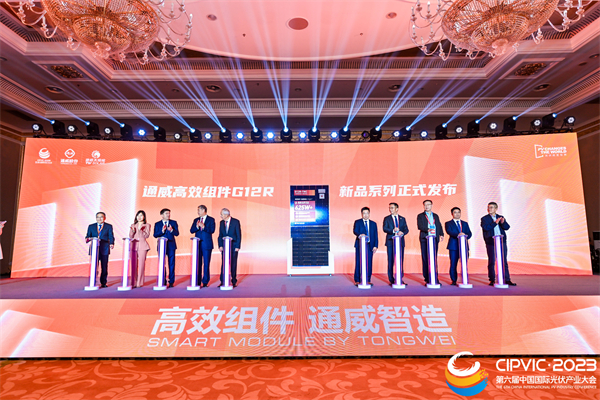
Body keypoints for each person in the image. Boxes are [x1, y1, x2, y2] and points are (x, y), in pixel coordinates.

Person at [481, 202, 516, 286]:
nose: (489, 209)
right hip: (491, 242)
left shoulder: (500, 217)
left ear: (496, 209)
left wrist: (503, 222)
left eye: (492, 207)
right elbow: (486, 228)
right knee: (492, 261)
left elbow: (507, 227)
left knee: (504, 261)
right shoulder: (484, 218)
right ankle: (492, 279)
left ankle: (507, 279)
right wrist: (495, 223)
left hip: (501, 241)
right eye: (488, 207)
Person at [417, 199, 444, 286]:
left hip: (434, 238)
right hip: (425, 239)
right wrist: (427, 229)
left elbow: (439, 225)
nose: (427, 206)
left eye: (428, 204)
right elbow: (420, 226)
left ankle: (435, 278)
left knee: (433, 258)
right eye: (425, 205)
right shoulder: (420, 216)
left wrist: (441, 234)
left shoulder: (435, 215)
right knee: (426, 258)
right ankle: (427, 278)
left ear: (432, 205)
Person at [85, 212, 115, 288]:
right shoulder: (91, 226)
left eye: (101, 217)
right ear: (96, 218)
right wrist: (88, 239)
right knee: (94, 266)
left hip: (104, 248)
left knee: (104, 266)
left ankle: (103, 282)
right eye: (98, 217)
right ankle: (93, 282)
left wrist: (111, 243)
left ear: (104, 218)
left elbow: (111, 236)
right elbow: (87, 236)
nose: (99, 218)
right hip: (95, 249)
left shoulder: (108, 226)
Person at [382, 203, 409, 286]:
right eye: (389, 208)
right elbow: (384, 228)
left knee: (400, 261)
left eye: (392, 208)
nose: (390, 209)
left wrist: (402, 232)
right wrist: (393, 230)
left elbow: (406, 230)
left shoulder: (402, 219)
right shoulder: (386, 218)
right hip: (390, 242)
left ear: (397, 209)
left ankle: (399, 278)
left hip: (400, 242)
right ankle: (391, 279)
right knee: (390, 261)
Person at [444, 207, 472, 286]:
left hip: (464, 246)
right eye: (455, 212)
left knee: (464, 263)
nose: (457, 214)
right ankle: (454, 280)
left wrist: (465, 236)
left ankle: (465, 280)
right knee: (453, 264)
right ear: (452, 214)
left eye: (458, 212)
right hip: (453, 247)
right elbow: (449, 231)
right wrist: (459, 234)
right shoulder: (448, 223)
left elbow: (469, 233)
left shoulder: (465, 223)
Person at [190, 205, 216, 287]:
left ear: (204, 210)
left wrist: (204, 227)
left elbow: (212, 230)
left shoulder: (211, 219)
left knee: (206, 263)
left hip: (207, 244)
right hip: (197, 245)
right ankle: (197, 281)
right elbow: (191, 230)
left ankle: (205, 281)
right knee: (198, 263)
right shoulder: (196, 220)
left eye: (199, 210)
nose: (198, 212)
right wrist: (197, 226)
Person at [153, 208, 179, 288]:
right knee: (162, 264)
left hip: (171, 245)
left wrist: (171, 230)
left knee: (171, 264)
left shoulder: (173, 222)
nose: (168, 215)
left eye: (169, 213)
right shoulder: (157, 224)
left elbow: (177, 233)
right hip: (161, 246)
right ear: (162, 215)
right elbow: (155, 235)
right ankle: (163, 280)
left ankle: (171, 281)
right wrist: (162, 231)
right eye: (166, 213)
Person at [353, 207, 378, 286]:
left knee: (369, 263)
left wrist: (375, 246)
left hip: (370, 245)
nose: (366, 215)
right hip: (360, 245)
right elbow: (355, 231)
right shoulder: (357, 222)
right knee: (358, 262)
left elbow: (376, 235)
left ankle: (368, 279)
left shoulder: (373, 224)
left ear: (369, 214)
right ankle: (357, 280)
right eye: (364, 213)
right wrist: (360, 235)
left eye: (367, 213)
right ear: (361, 214)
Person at [218, 208, 242, 287]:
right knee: (224, 264)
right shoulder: (221, 223)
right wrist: (220, 245)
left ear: (226, 215)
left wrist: (237, 246)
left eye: (222, 214)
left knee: (233, 264)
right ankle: (222, 281)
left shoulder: (235, 222)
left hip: (233, 246)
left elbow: (238, 235)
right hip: (224, 246)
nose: (220, 216)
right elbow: (220, 235)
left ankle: (234, 281)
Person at [129, 210, 151, 288]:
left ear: (144, 217)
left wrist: (142, 231)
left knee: (141, 264)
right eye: (138, 215)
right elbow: (130, 236)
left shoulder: (147, 225)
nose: (139, 217)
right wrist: (132, 231)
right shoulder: (133, 225)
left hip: (143, 245)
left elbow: (147, 235)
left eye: (141, 215)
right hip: (134, 245)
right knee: (133, 264)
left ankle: (139, 282)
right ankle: (133, 282)